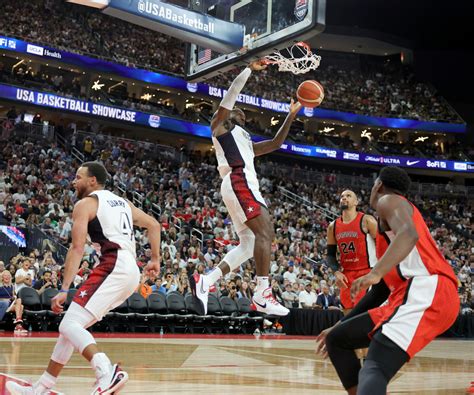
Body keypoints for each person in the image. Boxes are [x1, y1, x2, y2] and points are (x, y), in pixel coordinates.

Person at [7, 161, 161, 395]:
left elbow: (77, 248)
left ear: (92, 181)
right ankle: (40, 388)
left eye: (78, 177)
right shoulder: (123, 203)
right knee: (71, 327)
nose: (73, 181)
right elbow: (154, 225)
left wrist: (64, 288)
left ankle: (106, 371)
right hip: (129, 270)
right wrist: (155, 259)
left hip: (114, 264)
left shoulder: (86, 204)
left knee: (70, 324)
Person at [316, 167, 459, 395]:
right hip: (412, 295)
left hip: (427, 289)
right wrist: (339, 324)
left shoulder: (388, 200)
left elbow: (409, 234)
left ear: (378, 185)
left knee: (374, 366)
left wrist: (375, 272)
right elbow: (378, 293)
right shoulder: (389, 238)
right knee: (337, 339)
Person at [190, 59, 301, 316]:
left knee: (251, 243)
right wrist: (249, 69)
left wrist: (291, 115)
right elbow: (229, 98)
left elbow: (274, 143)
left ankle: (207, 281)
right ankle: (262, 293)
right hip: (238, 180)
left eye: (243, 112)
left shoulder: (246, 140)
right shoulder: (221, 128)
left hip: (242, 184)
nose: (241, 112)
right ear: (228, 115)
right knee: (266, 231)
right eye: (236, 110)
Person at [326, 189, 377, 313]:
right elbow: (330, 255)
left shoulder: (367, 221)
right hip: (346, 275)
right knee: (347, 315)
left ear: (356, 202)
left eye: (348, 196)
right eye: (342, 196)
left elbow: (384, 246)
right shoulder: (333, 226)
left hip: (367, 271)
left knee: (362, 314)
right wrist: (336, 272)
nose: (344, 198)